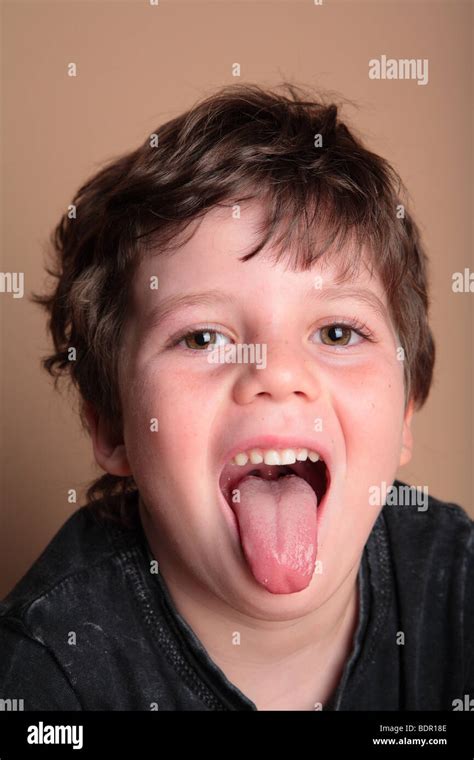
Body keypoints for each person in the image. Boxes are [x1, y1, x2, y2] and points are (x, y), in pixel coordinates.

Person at [1, 83, 472, 711]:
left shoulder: (455, 588)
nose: (275, 373)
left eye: (337, 332)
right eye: (201, 337)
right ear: (113, 425)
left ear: (407, 411)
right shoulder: (50, 668)